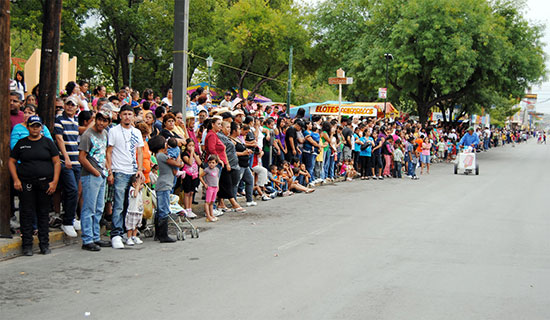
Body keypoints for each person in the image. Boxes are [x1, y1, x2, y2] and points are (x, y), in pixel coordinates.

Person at [9, 116, 61, 256]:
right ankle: (27, 246)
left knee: (43, 213)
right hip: (26, 183)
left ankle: (44, 244)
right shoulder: (21, 143)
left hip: (45, 183)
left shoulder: (48, 142)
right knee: (26, 213)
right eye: (32, 126)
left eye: (38, 126)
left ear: (41, 127)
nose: (35, 128)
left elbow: (57, 162)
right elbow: (12, 161)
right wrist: (16, 180)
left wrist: (54, 182)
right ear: (28, 127)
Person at [105, 105, 145, 249]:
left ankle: (128, 233)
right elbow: (108, 152)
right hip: (119, 171)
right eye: (125, 114)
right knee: (119, 204)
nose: (127, 116)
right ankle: (115, 234)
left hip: (133, 171)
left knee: (131, 205)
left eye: (130, 114)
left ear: (133, 116)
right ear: (120, 115)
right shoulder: (113, 131)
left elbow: (140, 152)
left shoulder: (137, 132)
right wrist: (110, 171)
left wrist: (139, 169)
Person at [78, 110, 112, 251]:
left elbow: (103, 154)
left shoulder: (104, 134)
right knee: (89, 208)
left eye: (105, 121)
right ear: (95, 119)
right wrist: (95, 172)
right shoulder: (87, 135)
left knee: (99, 208)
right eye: (99, 119)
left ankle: (96, 237)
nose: (101, 123)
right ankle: (87, 239)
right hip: (91, 175)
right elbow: (82, 157)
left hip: (101, 174)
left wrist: (107, 170)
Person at [54, 96, 81, 237]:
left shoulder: (75, 120)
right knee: (72, 190)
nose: (70, 107)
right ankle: (67, 222)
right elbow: (59, 139)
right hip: (66, 161)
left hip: (76, 161)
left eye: (73, 105)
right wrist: (66, 157)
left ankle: (71, 217)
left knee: (75, 192)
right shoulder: (59, 120)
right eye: (68, 104)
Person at [147, 135, 179, 242]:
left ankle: (158, 234)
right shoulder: (161, 156)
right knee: (163, 209)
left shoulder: (161, 155)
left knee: (161, 209)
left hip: (164, 185)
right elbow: (177, 163)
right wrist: (178, 154)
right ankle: (163, 235)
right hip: (164, 185)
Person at [125, 174, 144, 246]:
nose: (141, 185)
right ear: (133, 184)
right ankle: (129, 237)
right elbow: (135, 195)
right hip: (132, 211)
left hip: (138, 211)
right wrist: (138, 186)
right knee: (130, 226)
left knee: (136, 225)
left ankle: (134, 236)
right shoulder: (132, 190)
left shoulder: (140, 191)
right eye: (138, 183)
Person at [200, 155, 220, 222]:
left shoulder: (217, 169)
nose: (211, 164)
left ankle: (212, 215)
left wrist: (217, 186)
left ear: (216, 163)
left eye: (213, 162)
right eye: (210, 162)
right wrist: (204, 184)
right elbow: (200, 176)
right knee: (207, 202)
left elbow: (217, 178)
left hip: (215, 187)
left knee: (212, 202)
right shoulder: (207, 170)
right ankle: (208, 216)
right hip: (209, 187)